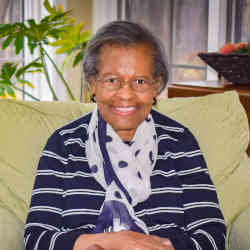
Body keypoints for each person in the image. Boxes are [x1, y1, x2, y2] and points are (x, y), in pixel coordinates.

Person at [24, 20, 226, 250]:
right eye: (112, 80)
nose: (126, 94)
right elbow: (36, 239)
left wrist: (155, 246)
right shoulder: (63, 144)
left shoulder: (180, 141)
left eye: (139, 81)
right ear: (92, 84)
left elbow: (213, 235)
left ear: (156, 85)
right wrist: (113, 242)